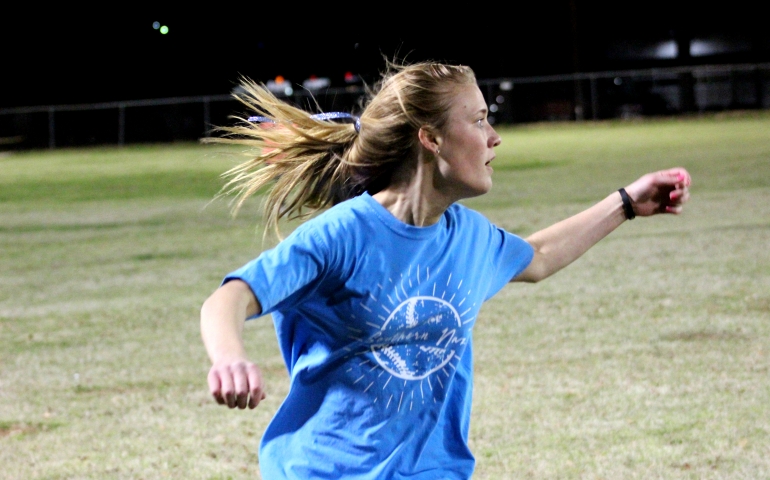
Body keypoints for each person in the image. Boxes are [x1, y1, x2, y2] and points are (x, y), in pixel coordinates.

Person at [200, 60, 691, 479]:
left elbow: (538, 256)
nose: (494, 138)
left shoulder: (469, 237)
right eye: (478, 120)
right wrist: (228, 358)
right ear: (431, 138)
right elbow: (231, 296)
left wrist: (626, 203)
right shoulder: (344, 235)